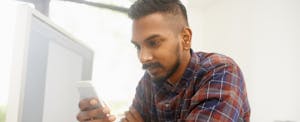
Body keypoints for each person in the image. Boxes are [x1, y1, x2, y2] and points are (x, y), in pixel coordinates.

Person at [77, 0, 251, 121]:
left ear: (185, 38)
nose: (143, 57)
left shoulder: (221, 71)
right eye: (138, 46)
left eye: (154, 43)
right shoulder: (148, 83)